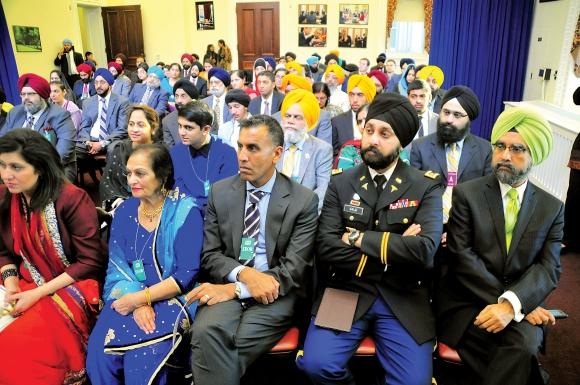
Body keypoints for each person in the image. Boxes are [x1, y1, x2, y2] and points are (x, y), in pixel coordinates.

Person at [297, 93, 444, 385]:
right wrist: (396, 247)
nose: (373, 139)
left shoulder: (425, 186)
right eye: (369, 130)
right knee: (316, 365)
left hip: (402, 295)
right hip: (345, 289)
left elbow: (425, 250)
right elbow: (326, 246)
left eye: (384, 133)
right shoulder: (341, 182)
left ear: (401, 142)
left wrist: (355, 237)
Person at [187, 115, 319, 385]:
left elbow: (294, 269)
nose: (242, 156)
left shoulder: (303, 200)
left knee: (212, 346)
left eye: (253, 148)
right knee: (206, 332)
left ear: (277, 154)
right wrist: (243, 277)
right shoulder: (221, 192)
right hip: (229, 282)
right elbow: (210, 255)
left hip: (277, 294)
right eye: (240, 146)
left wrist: (234, 289)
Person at [436, 107, 563, 385]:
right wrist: (514, 304)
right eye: (500, 146)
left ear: (534, 156)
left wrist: (512, 304)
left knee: (523, 347)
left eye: (517, 149)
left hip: (521, 300)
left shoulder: (551, 208)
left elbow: (548, 267)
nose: (505, 156)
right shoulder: (468, 194)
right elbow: (461, 256)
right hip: (468, 299)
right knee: (516, 357)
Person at [87, 144, 203, 385]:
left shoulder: (185, 211)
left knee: (142, 358)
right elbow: (117, 268)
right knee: (100, 354)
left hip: (174, 296)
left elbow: (186, 276)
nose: (131, 180)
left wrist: (143, 299)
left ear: (162, 175)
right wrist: (137, 301)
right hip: (129, 293)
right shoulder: (125, 211)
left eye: (140, 173)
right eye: (129, 173)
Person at [0, 128, 104, 385]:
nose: (6, 175)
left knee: (13, 345)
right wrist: (11, 283)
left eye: (16, 167)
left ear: (40, 167)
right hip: (27, 280)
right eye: (2, 165)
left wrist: (38, 293)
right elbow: (3, 251)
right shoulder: (6, 197)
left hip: (73, 285)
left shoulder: (71, 198)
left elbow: (90, 262)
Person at [2, 73, 77, 180]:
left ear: (42, 96)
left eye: (31, 94)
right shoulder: (15, 113)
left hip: (53, 167)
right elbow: (3, 141)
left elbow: (64, 150)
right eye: (23, 94)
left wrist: (34, 169)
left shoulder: (59, 115)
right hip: (16, 167)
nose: (26, 98)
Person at [170, 101, 238, 213]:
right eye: (180, 126)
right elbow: (178, 189)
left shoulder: (226, 151)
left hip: (217, 213)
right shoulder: (177, 152)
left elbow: (224, 192)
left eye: (188, 127)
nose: (182, 132)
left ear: (206, 129)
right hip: (186, 212)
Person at [277, 88, 332, 212]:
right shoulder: (273, 144)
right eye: (287, 116)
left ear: (308, 121)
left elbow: (322, 191)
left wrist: (299, 214)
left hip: (305, 215)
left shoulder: (322, 150)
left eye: (297, 117)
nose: (290, 121)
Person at [99, 105, 159, 208]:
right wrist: (118, 202)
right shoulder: (120, 150)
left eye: (140, 125)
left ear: (153, 128)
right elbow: (108, 183)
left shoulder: (160, 154)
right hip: (120, 204)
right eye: (131, 124)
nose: (134, 129)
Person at [76, 68, 130, 160]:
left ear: (110, 84)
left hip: (111, 141)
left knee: (115, 149)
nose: (98, 86)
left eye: (102, 82)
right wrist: (87, 142)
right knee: (70, 150)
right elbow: (84, 126)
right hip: (91, 141)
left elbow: (122, 129)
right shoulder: (88, 102)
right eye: (96, 82)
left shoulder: (121, 102)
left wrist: (102, 144)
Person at [332, 74, 377, 156]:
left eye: (360, 95)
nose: (355, 100)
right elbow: (334, 154)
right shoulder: (337, 121)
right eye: (351, 94)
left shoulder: (379, 119)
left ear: (368, 96)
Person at [162, 79, 199, 147]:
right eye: (176, 96)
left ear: (193, 99)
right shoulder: (167, 121)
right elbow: (170, 150)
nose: (179, 101)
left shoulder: (207, 116)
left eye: (183, 96)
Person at [335, 103, 369, 170]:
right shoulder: (350, 148)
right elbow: (343, 176)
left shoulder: (386, 147)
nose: (362, 126)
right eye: (359, 122)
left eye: (366, 119)